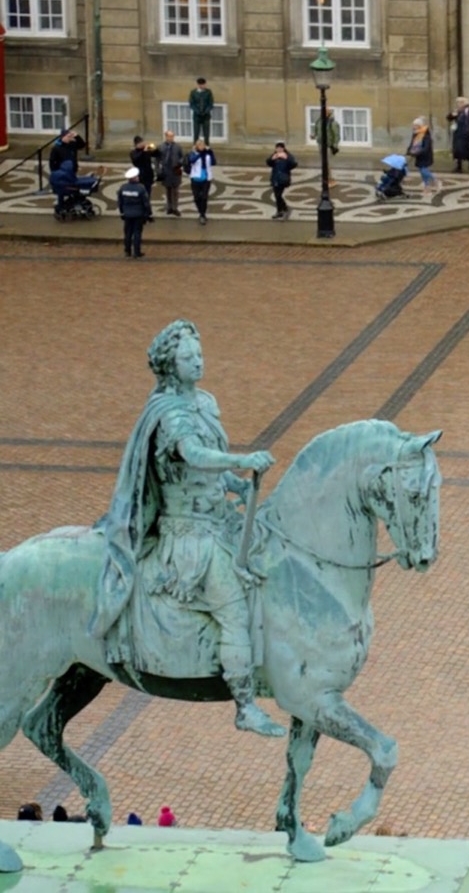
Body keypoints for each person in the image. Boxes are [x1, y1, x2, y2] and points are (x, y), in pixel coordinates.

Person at [90, 320, 281, 735]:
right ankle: (245, 705)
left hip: (217, 516)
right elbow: (193, 454)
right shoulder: (170, 414)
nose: (198, 362)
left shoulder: (204, 402)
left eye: (200, 354)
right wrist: (241, 461)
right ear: (170, 366)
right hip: (189, 533)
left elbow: (206, 467)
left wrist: (233, 483)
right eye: (188, 358)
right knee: (232, 609)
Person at [117, 168, 152, 257]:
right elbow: (146, 202)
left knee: (128, 233)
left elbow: (120, 202)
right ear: (134, 178)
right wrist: (148, 213)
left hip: (127, 214)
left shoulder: (123, 187)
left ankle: (127, 250)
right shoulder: (141, 188)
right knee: (137, 233)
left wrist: (122, 212)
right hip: (138, 214)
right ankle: (137, 251)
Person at [186, 139, 216, 224]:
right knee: (196, 197)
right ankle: (201, 211)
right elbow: (192, 160)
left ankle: (202, 214)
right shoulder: (193, 153)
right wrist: (199, 153)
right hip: (195, 178)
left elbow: (213, 162)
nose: (202, 147)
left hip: (206, 178)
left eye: (203, 145)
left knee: (204, 197)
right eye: (199, 145)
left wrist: (210, 152)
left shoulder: (207, 154)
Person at [266, 141, 298, 220]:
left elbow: (293, 164)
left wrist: (286, 158)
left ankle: (283, 208)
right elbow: (268, 162)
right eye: (277, 148)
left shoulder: (287, 156)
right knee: (277, 196)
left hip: (283, 179)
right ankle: (280, 210)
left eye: (280, 148)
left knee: (278, 195)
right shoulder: (275, 155)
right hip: (275, 178)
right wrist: (272, 159)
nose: (279, 150)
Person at [157, 130, 186, 217]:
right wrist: (157, 170)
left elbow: (182, 157)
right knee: (168, 190)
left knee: (176, 190)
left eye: (172, 136)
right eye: (169, 136)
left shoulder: (178, 146)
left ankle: (175, 207)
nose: (171, 138)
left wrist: (179, 163)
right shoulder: (161, 147)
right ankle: (169, 207)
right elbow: (157, 159)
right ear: (166, 137)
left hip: (176, 170)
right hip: (166, 170)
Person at [408, 116, 437, 188]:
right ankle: (426, 185)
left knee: (424, 170)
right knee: (422, 171)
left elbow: (426, 147)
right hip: (419, 155)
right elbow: (412, 143)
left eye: (415, 125)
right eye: (413, 125)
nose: (413, 126)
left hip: (425, 155)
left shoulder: (425, 134)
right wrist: (409, 150)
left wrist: (417, 152)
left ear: (419, 126)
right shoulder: (415, 133)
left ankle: (434, 180)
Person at [447, 97, 469, 173]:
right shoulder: (457, 111)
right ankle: (459, 167)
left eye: (460, 102)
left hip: (464, 134)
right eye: (457, 103)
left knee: (463, 150)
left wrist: (467, 133)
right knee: (457, 150)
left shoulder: (467, 111)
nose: (458, 104)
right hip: (457, 133)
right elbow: (449, 118)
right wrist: (452, 115)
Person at [188, 77, 215, 145]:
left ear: (205, 84)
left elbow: (210, 103)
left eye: (203, 84)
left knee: (206, 132)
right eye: (200, 84)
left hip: (206, 116)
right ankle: (195, 146)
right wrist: (197, 111)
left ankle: (207, 146)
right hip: (197, 116)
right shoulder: (193, 92)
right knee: (196, 132)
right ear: (197, 85)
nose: (201, 86)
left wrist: (206, 111)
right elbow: (191, 104)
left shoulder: (208, 92)